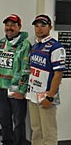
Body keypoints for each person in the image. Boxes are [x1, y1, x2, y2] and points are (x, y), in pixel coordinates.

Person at [26, 14, 66, 145]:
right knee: (36, 130)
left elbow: (58, 74)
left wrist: (50, 97)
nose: (39, 29)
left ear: (50, 27)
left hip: (46, 95)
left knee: (48, 133)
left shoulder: (56, 47)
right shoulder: (35, 46)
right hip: (33, 94)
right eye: (36, 26)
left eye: (43, 26)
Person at [0, 14, 31, 145]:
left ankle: (19, 142)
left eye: (13, 25)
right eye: (7, 25)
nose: (9, 28)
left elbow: (26, 69)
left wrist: (22, 90)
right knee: (4, 119)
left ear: (19, 27)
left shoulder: (25, 44)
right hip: (2, 88)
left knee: (18, 120)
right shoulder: (1, 42)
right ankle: (7, 141)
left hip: (17, 89)